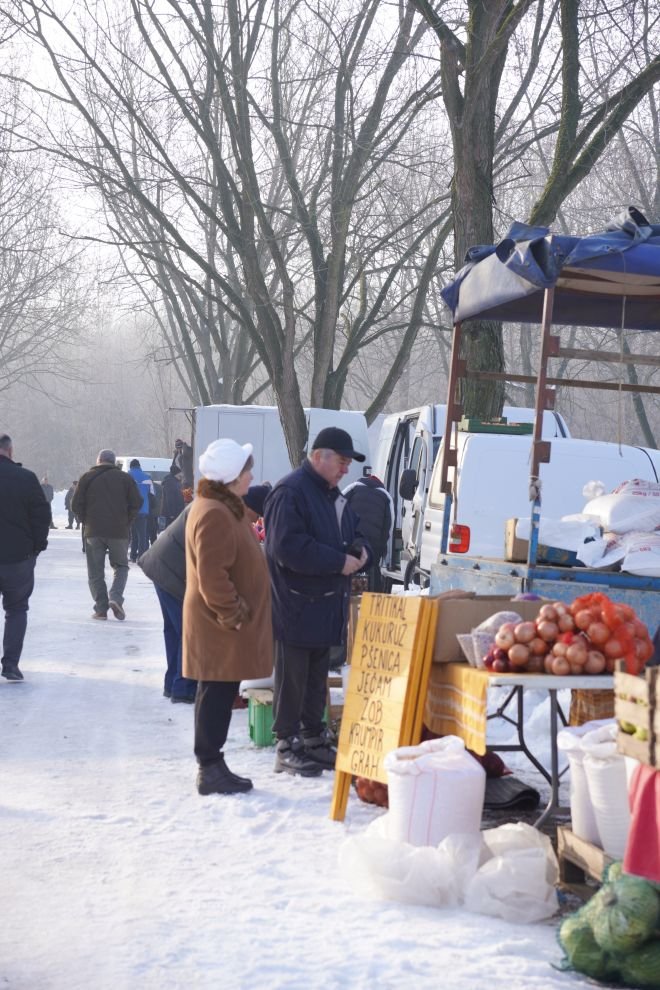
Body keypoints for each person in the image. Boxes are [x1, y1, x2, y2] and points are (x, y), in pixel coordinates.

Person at [264, 427, 371, 777]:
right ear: (318, 456)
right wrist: (338, 562)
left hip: (326, 605)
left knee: (315, 677)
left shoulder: (332, 495)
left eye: (348, 463)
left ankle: (313, 738)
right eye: (341, 461)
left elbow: (354, 529)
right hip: (296, 605)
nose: (346, 469)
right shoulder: (290, 492)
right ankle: (287, 744)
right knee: (292, 678)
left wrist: (360, 549)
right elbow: (287, 548)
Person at [183, 439, 273, 796]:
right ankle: (209, 767)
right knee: (215, 694)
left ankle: (213, 763)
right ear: (233, 477)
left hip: (219, 624)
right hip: (218, 625)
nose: (251, 477)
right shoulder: (215, 513)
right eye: (247, 471)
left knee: (218, 692)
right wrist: (234, 613)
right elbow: (212, 575)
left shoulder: (221, 508)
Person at [0, 434, 51, 681]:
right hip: (18, 557)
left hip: (18, 554)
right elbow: (41, 516)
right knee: (17, 609)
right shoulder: (26, 478)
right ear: (10, 451)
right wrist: (36, 548)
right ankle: (10, 664)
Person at [72, 449, 142, 620]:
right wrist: (127, 520)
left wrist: (85, 520)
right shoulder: (125, 479)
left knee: (95, 572)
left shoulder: (87, 477)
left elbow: (75, 504)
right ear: (114, 462)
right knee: (121, 566)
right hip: (119, 531)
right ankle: (115, 597)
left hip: (93, 531)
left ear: (99, 460)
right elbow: (137, 502)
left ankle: (101, 609)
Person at [138, 506, 197, 705]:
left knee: (174, 629)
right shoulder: (215, 510)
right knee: (189, 631)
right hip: (171, 571)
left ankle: (172, 683)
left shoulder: (207, 502)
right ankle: (183, 688)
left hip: (162, 564)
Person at [342, 474, 393, 592]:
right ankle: (371, 596)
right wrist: (382, 548)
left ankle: (351, 594)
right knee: (372, 569)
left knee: (350, 566)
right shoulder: (386, 496)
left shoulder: (353, 487)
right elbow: (389, 526)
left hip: (351, 539)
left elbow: (336, 506)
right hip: (373, 543)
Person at [128, 459, 153, 561]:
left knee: (132, 534)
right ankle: (141, 556)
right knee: (142, 535)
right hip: (143, 510)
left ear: (130, 466)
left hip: (129, 510)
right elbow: (152, 494)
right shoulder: (147, 477)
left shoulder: (127, 476)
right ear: (139, 466)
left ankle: (132, 555)